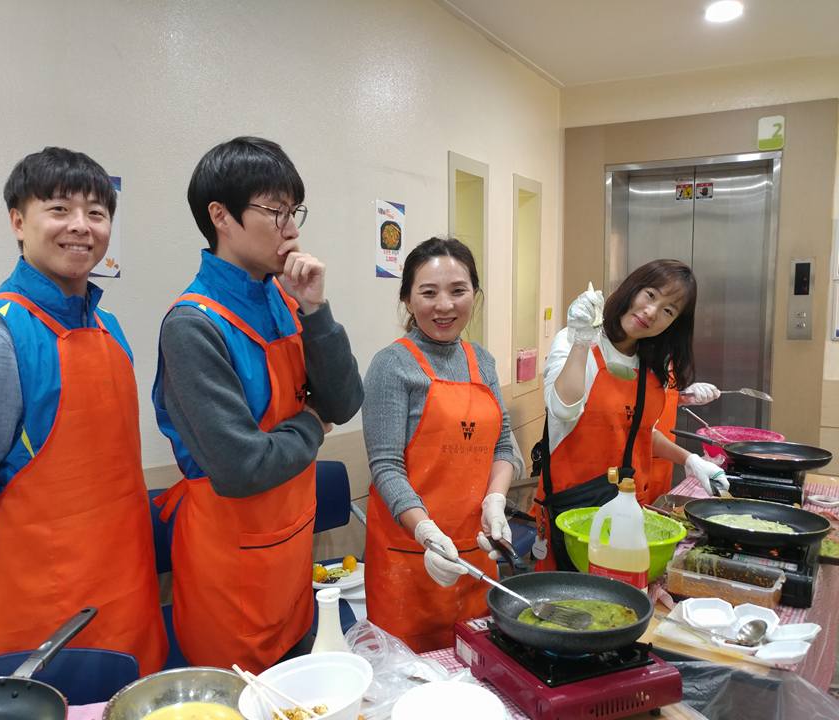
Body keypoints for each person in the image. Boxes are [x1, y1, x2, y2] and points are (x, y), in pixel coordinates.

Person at [0, 147, 167, 674]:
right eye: (59, 209)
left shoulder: (110, 329)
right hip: (42, 624)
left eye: (97, 213)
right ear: (18, 221)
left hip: (130, 598)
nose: (81, 226)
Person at [152, 136, 363, 672]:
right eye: (275, 211)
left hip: (292, 561)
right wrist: (315, 421)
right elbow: (242, 466)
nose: (292, 228)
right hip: (230, 573)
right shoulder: (193, 326)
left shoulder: (287, 296)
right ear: (220, 216)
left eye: (294, 211)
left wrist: (316, 311)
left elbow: (346, 399)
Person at [362, 237, 514, 652]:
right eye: (428, 293)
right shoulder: (391, 365)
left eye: (458, 291)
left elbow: (503, 445)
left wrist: (495, 502)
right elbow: (386, 466)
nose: (444, 305)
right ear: (408, 300)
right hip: (410, 560)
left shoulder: (482, 360)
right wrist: (426, 532)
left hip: (477, 556)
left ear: (474, 295)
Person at [534, 259, 728, 571]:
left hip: (627, 512)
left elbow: (636, 433)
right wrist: (581, 339)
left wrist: (690, 461)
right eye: (651, 295)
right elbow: (562, 409)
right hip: (571, 514)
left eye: (668, 310)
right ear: (632, 289)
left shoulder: (649, 364)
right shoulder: (576, 340)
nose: (652, 312)